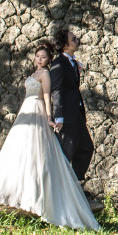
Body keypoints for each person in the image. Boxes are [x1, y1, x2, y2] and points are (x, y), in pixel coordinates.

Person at [0, 42, 100, 230]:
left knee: (38, 150)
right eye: (38, 56)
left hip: (38, 109)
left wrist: (50, 117)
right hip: (26, 110)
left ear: (49, 60)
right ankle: (15, 193)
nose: (40, 59)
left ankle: (38, 196)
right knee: (19, 149)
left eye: (43, 57)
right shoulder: (34, 74)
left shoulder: (45, 74)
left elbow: (47, 95)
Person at [49, 28, 95, 194]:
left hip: (76, 115)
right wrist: (59, 116)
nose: (77, 40)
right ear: (65, 45)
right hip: (67, 117)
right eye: (73, 39)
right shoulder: (59, 64)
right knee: (66, 152)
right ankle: (59, 189)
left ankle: (74, 182)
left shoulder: (71, 62)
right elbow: (57, 91)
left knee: (86, 148)